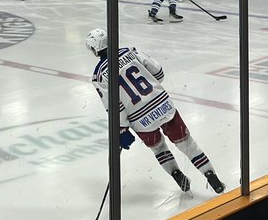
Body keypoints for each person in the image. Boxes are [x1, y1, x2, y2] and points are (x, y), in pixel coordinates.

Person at [86, 28, 224, 194]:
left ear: (94, 49)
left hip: (140, 119)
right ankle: (210, 175)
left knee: (158, 148)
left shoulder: (99, 76)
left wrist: (122, 128)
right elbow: (158, 71)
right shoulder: (130, 52)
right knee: (187, 144)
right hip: (163, 105)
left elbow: (114, 105)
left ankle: (176, 173)